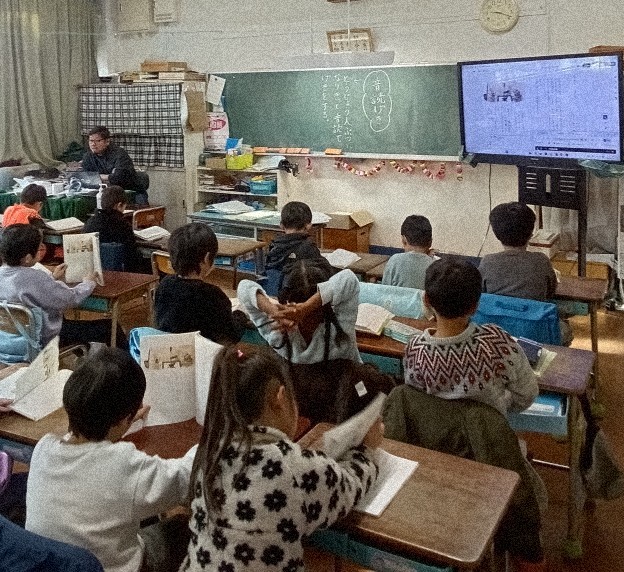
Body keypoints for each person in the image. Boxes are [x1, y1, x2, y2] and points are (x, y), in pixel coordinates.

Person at [180, 345, 382, 572]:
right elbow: (351, 486)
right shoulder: (293, 468)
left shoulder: (208, 453)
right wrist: (367, 450)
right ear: (280, 397)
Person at [25, 347, 196, 572]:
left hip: (49, 564)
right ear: (125, 418)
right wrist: (211, 438)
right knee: (184, 526)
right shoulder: (124, 465)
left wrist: (118, 425)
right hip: (108, 567)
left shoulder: (43, 448)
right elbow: (186, 479)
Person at [403, 258, 538, 417]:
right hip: (489, 430)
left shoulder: (415, 349)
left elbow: (417, 402)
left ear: (426, 300)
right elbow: (527, 394)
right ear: (475, 307)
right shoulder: (497, 341)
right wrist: (498, 407)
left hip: (436, 432)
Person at [479, 201, 572, 345]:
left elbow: (481, 293)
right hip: (536, 334)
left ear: (497, 234)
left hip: (496, 335)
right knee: (565, 329)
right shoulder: (541, 261)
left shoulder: (487, 262)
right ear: (531, 234)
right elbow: (550, 292)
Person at [237, 260, 361, 364]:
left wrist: (304, 308)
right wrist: (275, 312)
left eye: (314, 313)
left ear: (325, 306)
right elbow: (244, 287)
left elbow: (349, 278)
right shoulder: (279, 329)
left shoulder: (339, 328)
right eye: (297, 315)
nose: (307, 321)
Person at [154, 223, 247, 344]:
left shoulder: (164, 284)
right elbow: (231, 336)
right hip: (203, 352)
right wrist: (240, 315)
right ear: (207, 258)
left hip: (168, 348)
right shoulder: (212, 295)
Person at [265, 201, 332, 285]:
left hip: (278, 289)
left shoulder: (273, 246)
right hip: (301, 290)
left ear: (281, 225)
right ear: (308, 226)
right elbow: (326, 276)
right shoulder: (309, 248)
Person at [81, 126, 149, 205]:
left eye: (98, 141)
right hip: (104, 192)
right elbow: (87, 177)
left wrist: (98, 177)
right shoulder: (88, 156)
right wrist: (106, 177)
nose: (93, 144)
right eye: (91, 141)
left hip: (131, 191)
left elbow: (119, 177)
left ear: (107, 141)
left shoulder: (119, 154)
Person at [83, 185, 141, 272]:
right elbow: (131, 254)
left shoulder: (90, 221)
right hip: (120, 271)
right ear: (119, 205)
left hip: (92, 270)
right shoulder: (122, 225)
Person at [382, 214, 436, 289]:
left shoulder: (394, 261)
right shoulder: (436, 266)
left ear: (404, 240)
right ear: (430, 242)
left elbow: (384, 290)